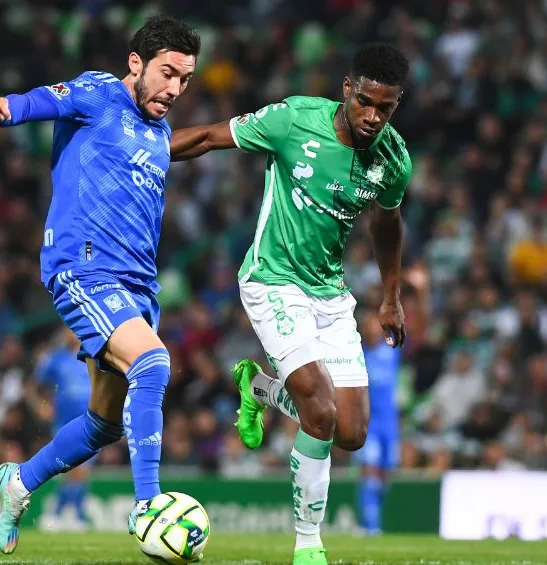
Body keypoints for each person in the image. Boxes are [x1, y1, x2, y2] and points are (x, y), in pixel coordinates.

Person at [169, 43, 411, 565]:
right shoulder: (293, 120)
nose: (373, 116)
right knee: (319, 413)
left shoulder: (393, 159)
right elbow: (212, 137)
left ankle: (256, 387)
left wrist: (390, 297)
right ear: (347, 89)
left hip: (330, 294)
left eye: (385, 107)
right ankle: (308, 546)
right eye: (365, 101)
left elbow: (387, 223)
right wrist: (138, 150)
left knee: (351, 434)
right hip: (271, 281)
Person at [0, 14, 200, 554]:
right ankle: (150, 505)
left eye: (185, 79)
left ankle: (19, 482)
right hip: (84, 268)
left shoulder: (160, 132)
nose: (174, 89)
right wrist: (7, 107)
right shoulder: (100, 93)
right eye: (167, 73)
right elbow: (45, 99)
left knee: (103, 424)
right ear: (136, 63)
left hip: (137, 288)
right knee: (153, 363)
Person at [34, 327, 94, 527]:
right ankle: (72, 515)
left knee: (82, 469)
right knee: (71, 467)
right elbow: (34, 386)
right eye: (68, 330)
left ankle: (61, 514)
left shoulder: (95, 355)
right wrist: (42, 406)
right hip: (64, 421)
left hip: (93, 419)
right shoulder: (56, 359)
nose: (72, 333)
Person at [355, 311, 402, 535]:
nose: (372, 329)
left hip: (390, 425)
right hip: (369, 424)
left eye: (375, 325)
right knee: (369, 471)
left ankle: (375, 519)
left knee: (384, 475)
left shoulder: (391, 350)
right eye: (367, 325)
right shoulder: (358, 356)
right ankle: (369, 526)